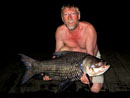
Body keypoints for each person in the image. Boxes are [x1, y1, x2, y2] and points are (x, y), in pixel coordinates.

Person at [42, 4, 104, 93]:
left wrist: (86, 74)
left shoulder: (89, 29)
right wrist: (48, 71)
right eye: (66, 15)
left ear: (78, 16)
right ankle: (70, 78)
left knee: (95, 89)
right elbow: (57, 53)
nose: (69, 18)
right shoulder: (60, 31)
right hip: (70, 58)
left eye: (73, 14)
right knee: (62, 51)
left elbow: (90, 54)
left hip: (90, 58)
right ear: (62, 18)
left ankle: (74, 76)